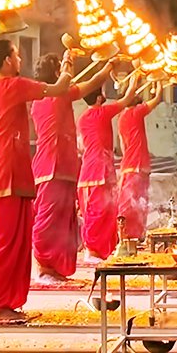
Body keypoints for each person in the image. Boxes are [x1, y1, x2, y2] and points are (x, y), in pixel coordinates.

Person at [0, 39, 72, 321]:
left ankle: (2, 302)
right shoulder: (13, 86)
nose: (20, 60)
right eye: (17, 55)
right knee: (5, 245)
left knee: (1, 245)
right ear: (7, 61)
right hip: (7, 175)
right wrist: (67, 64)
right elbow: (59, 89)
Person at [30, 54, 114, 282]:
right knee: (48, 220)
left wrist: (69, 64)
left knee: (63, 221)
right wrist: (109, 64)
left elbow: (81, 81)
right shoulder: (53, 97)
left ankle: (55, 267)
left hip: (66, 167)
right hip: (51, 166)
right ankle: (43, 267)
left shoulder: (54, 96)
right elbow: (94, 81)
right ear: (56, 74)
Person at [77, 74, 138, 262]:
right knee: (99, 212)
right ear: (97, 98)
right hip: (99, 170)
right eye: (102, 91)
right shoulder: (101, 113)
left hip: (91, 168)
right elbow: (127, 99)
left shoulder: (82, 118)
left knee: (102, 211)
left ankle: (100, 249)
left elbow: (81, 145)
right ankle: (92, 250)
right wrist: (136, 78)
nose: (105, 94)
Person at [117, 82, 163, 240]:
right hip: (137, 166)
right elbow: (157, 99)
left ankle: (130, 236)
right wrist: (159, 83)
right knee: (136, 205)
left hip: (129, 165)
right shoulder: (136, 112)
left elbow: (123, 146)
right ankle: (132, 237)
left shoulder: (121, 117)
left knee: (133, 203)